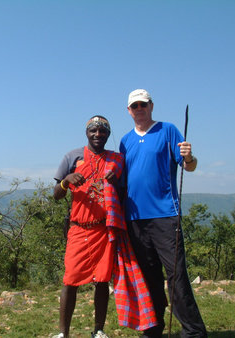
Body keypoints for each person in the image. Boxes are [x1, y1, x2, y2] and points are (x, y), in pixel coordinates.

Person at [52, 115, 157, 338]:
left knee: (102, 280)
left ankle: (99, 330)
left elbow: (125, 192)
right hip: (79, 227)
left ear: (108, 135)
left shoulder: (117, 161)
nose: (98, 134)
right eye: (93, 131)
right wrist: (66, 180)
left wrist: (115, 180)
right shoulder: (73, 157)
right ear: (86, 133)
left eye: (102, 131)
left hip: (104, 229)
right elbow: (56, 195)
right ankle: (63, 333)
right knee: (70, 279)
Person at [119, 89, 208, 338]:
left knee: (176, 275)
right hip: (134, 219)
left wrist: (190, 158)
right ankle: (154, 327)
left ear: (151, 106)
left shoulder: (168, 130)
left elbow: (188, 166)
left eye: (143, 104)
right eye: (134, 106)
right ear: (128, 110)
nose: (139, 109)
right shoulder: (125, 141)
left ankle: (193, 332)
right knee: (148, 278)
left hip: (166, 215)